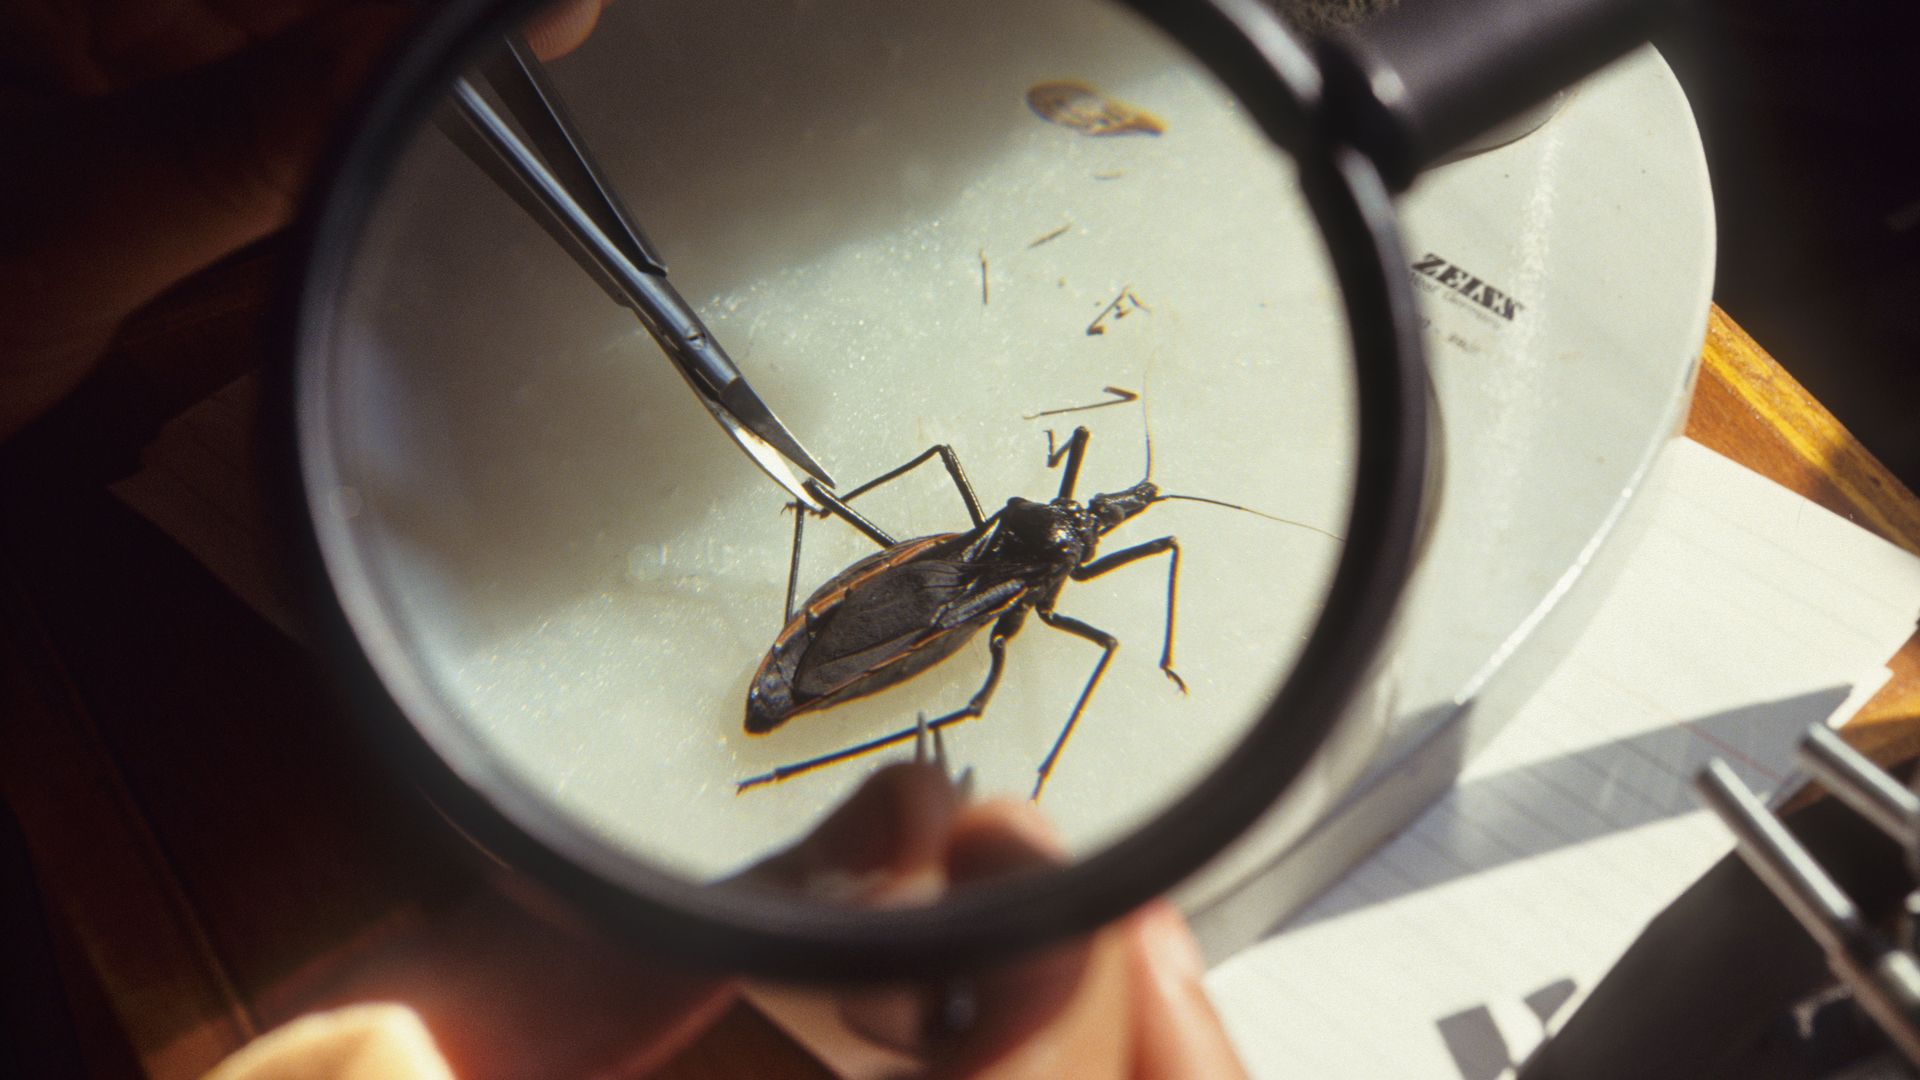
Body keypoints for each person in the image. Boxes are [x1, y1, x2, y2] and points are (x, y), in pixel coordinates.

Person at [2, 2, 1249, 1075]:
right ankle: (809, 696)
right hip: (939, 582)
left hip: (938, 579)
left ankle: (805, 692)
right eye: (1106, 512)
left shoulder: (1062, 530)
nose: (1109, 517)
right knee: (970, 691)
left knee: (965, 680)